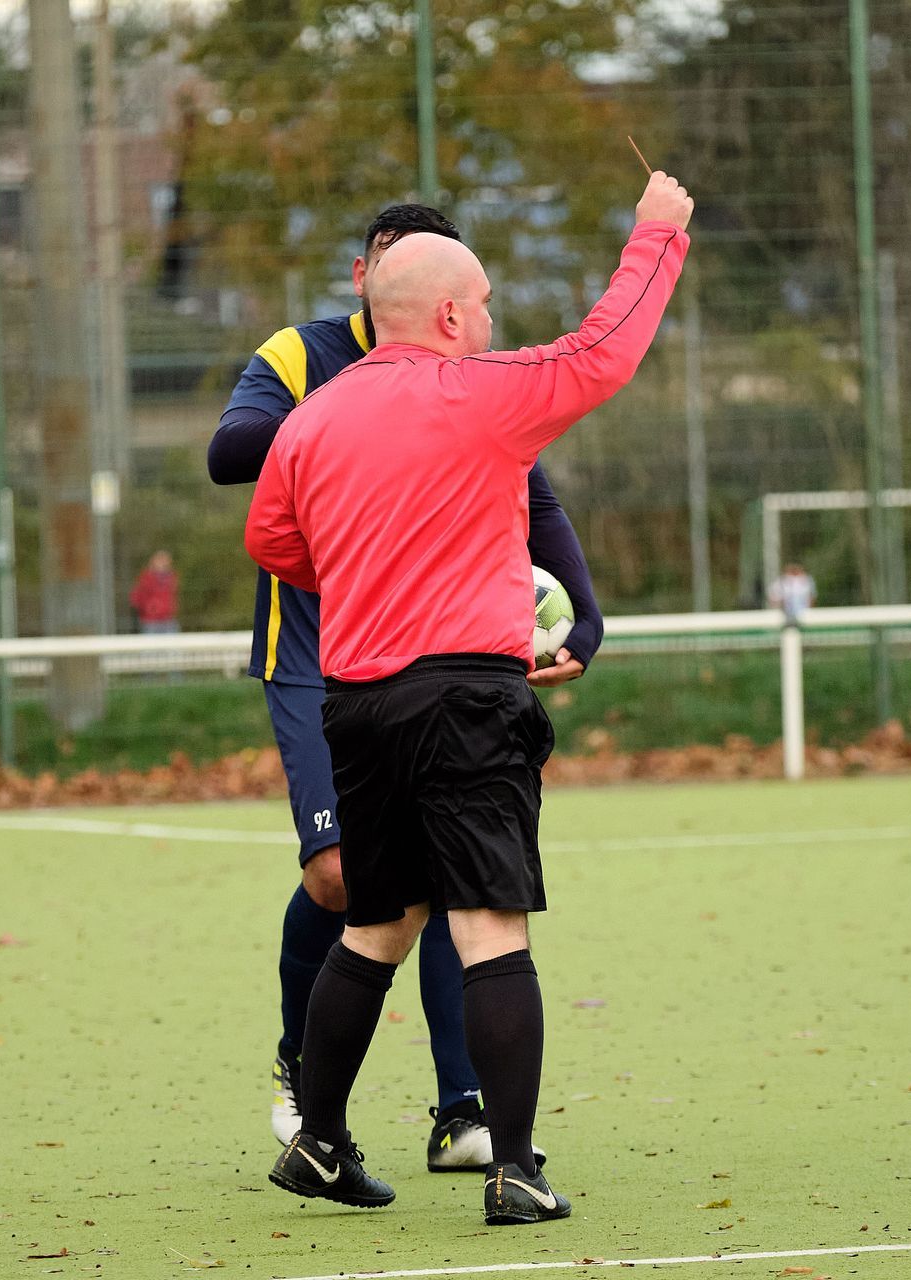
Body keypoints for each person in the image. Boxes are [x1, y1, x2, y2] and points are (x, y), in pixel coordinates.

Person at [248, 171, 691, 1224]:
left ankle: (318, 1142)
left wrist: (374, 572)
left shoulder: (312, 421)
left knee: (377, 927)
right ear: (449, 315)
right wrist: (657, 234)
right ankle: (515, 1168)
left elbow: (272, 540)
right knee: (491, 928)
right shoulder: (485, 391)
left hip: (357, 704)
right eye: (484, 303)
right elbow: (604, 350)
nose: (490, 319)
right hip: (465, 701)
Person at [209, 204, 606, 1172]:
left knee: (447, 879)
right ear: (366, 277)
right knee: (339, 876)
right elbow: (229, 453)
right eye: (387, 264)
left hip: (426, 658)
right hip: (313, 649)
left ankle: (459, 1108)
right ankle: (303, 1072)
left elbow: (534, 495)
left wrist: (586, 618)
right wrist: (360, 421)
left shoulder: (467, 376)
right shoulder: (304, 358)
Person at [129, 550, 180, 634]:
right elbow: (136, 598)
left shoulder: (171, 578)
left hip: (168, 619)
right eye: (160, 560)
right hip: (150, 621)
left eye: (165, 561)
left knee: (173, 641)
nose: (163, 563)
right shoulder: (146, 578)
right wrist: (150, 608)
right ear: (153, 562)